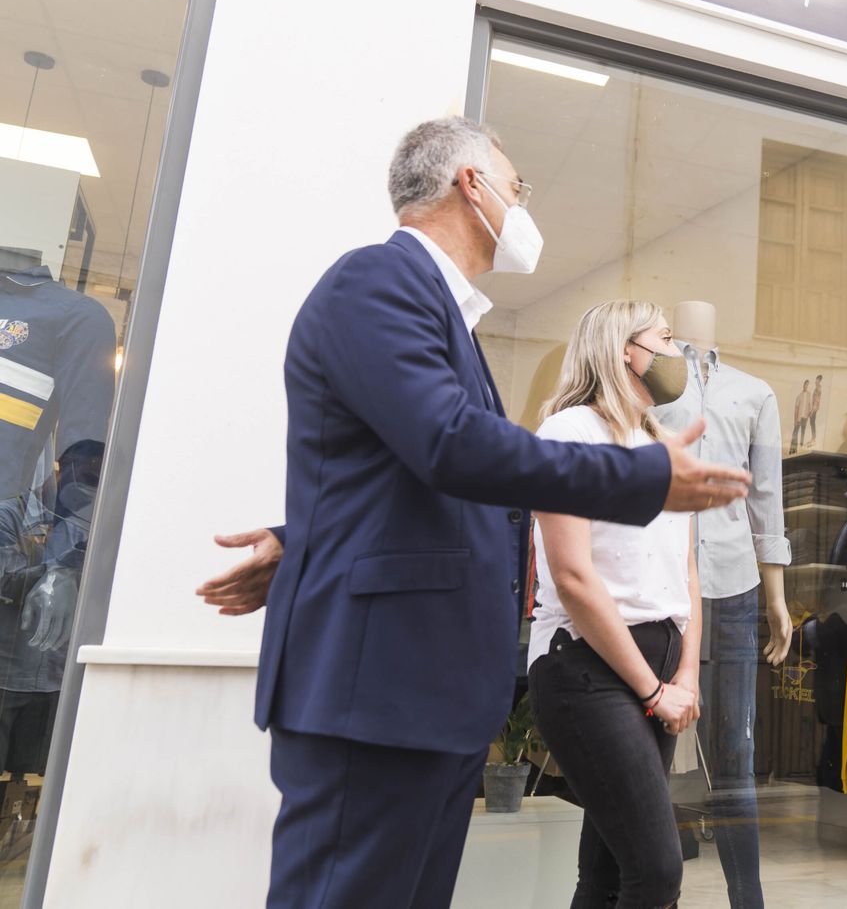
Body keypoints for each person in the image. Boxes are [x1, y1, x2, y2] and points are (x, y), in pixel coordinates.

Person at [194, 117, 750, 909]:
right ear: (472, 184)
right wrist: (638, 478)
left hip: (430, 699)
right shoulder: (376, 283)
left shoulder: (443, 316)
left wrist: (305, 536)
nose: (520, 206)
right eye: (516, 186)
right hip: (379, 693)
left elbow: (421, 474)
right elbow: (452, 445)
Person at [528, 300, 701, 908]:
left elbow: (687, 570)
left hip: (657, 671)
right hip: (587, 669)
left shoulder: (656, 443)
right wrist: (653, 691)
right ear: (627, 349)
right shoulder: (569, 432)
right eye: (666, 337)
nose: (679, 353)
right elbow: (573, 577)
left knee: (606, 877)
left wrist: (684, 674)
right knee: (656, 872)